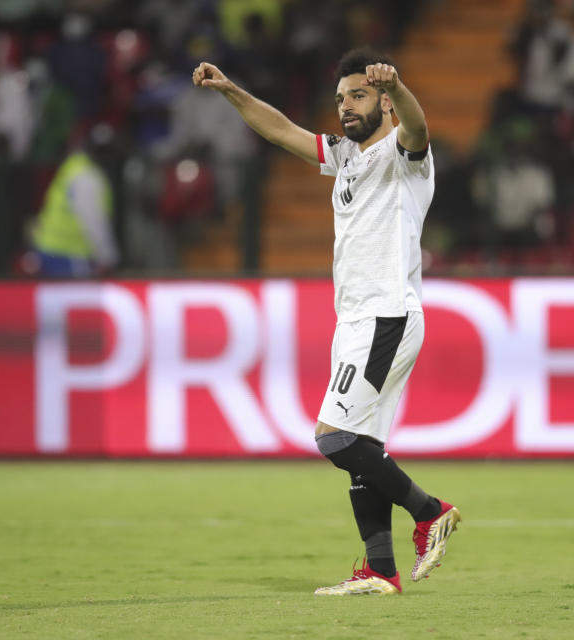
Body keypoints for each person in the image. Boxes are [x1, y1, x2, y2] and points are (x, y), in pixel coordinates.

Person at [192, 49, 460, 596]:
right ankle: (381, 571)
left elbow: (419, 125)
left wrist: (400, 86)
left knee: (334, 438)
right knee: (361, 448)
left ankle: (431, 513)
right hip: (356, 320)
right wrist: (230, 90)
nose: (345, 108)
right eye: (340, 99)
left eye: (357, 96)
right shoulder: (344, 156)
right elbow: (282, 130)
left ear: (382, 101)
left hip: (385, 314)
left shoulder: (405, 156)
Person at [31, 124, 120, 277]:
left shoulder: (74, 166)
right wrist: (108, 256)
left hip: (51, 247)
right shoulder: (88, 177)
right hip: (68, 254)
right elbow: (92, 219)